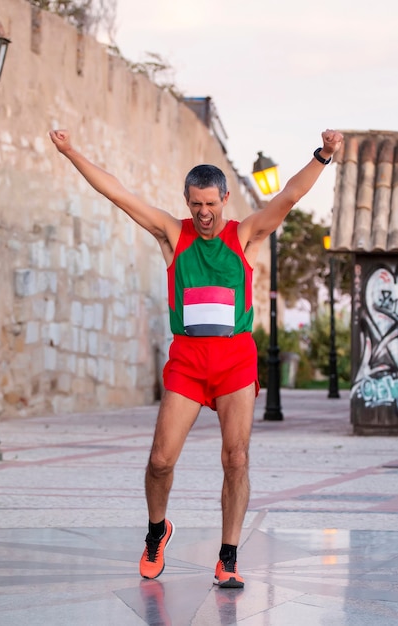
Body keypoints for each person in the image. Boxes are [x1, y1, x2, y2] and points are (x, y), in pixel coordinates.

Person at [49, 128, 343, 588]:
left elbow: (288, 196)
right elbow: (117, 193)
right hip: (187, 362)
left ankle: (228, 556)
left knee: (237, 458)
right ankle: (156, 530)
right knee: (161, 460)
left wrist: (323, 155)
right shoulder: (172, 234)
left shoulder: (243, 235)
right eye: (196, 204)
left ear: (225, 198)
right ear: (187, 201)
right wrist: (72, 152)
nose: (204, 213)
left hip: (235, 362)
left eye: (211, 203)